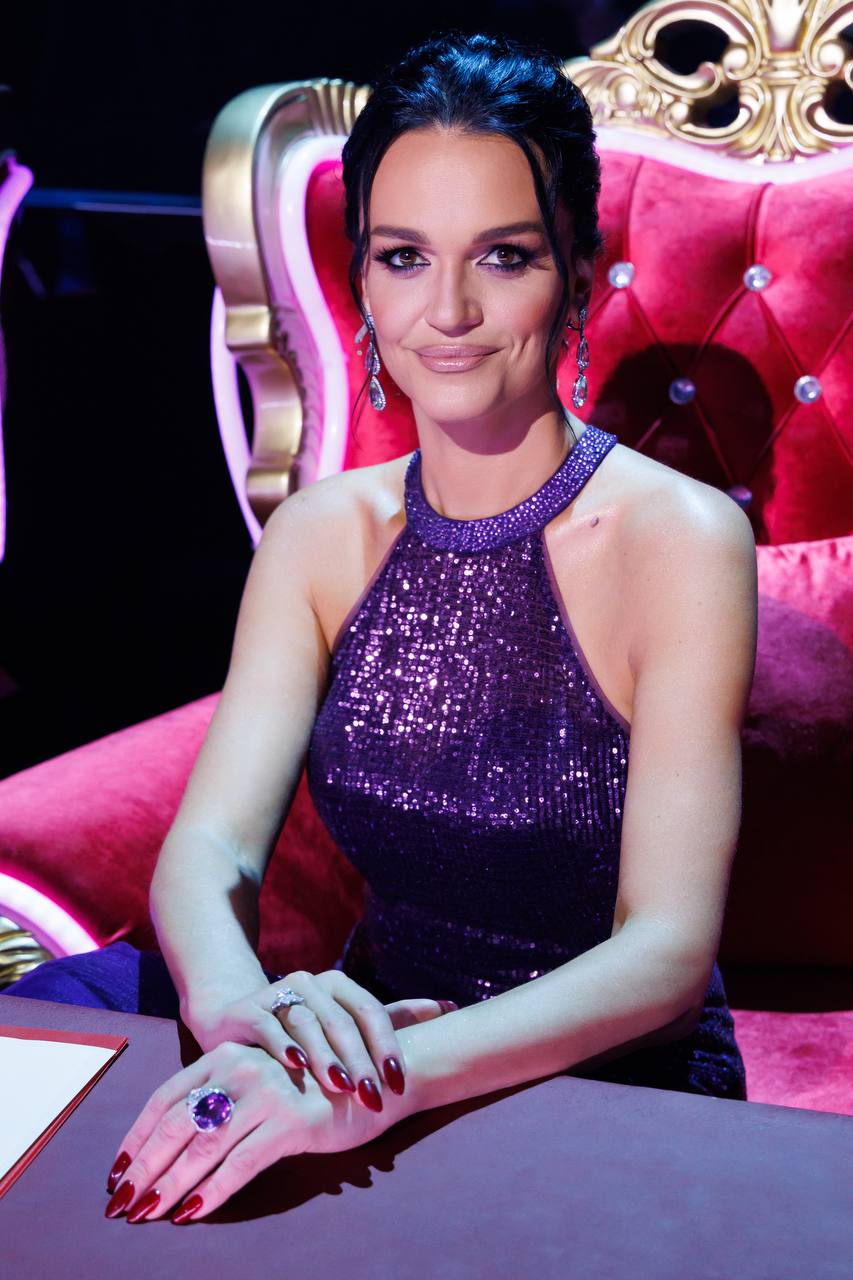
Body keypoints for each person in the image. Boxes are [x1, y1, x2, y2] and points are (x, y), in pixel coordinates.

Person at [2, 29, 758, 1224]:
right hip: (357, 1031)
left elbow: (664, 952)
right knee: (61, 1037)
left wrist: (375, 1083)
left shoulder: (683, 538)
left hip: (595, 1074)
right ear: (360, 277)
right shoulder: (321, 532)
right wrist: (246, 1014)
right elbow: (211, 849)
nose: (446, 311)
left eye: (503, 255)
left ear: (576, 268)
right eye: (404, 256)